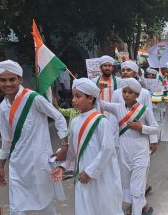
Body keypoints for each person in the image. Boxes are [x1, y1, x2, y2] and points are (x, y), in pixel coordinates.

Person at [0, 60, 68, 215]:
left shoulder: (33, 98)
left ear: (20, 79)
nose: (8, 83)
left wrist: (64, 145)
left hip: (37, 161)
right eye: (3, 80)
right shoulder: (3, 106)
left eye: (12, 79)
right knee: (17, 206)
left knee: (45, 204)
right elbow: (6, 139)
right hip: (17, 164)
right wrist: (1, 166)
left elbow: (59, 118)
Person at [52, 78, 123, 215]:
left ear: (90, 98)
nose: (73, 100)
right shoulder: (75, 122)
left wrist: (90, 172)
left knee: (105, 207)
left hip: (101, 176)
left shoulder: (101, 121)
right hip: (82, 175)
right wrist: (62, 166)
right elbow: (73, 151)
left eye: (78, 96)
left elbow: (107, 148)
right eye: (73, 96)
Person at [100, 78, 158, 215]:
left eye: (130, 92)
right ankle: (146, 209)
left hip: (141, 153)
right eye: (124, 92)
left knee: (137, 189)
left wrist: (141, 127)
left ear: (137, 95)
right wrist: (98, 90)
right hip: (124, 154)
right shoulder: (118, 107)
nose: (126, 95)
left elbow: (156, 128)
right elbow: (100, 104)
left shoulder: (145, 110)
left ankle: (136, 211)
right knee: (127, 186)